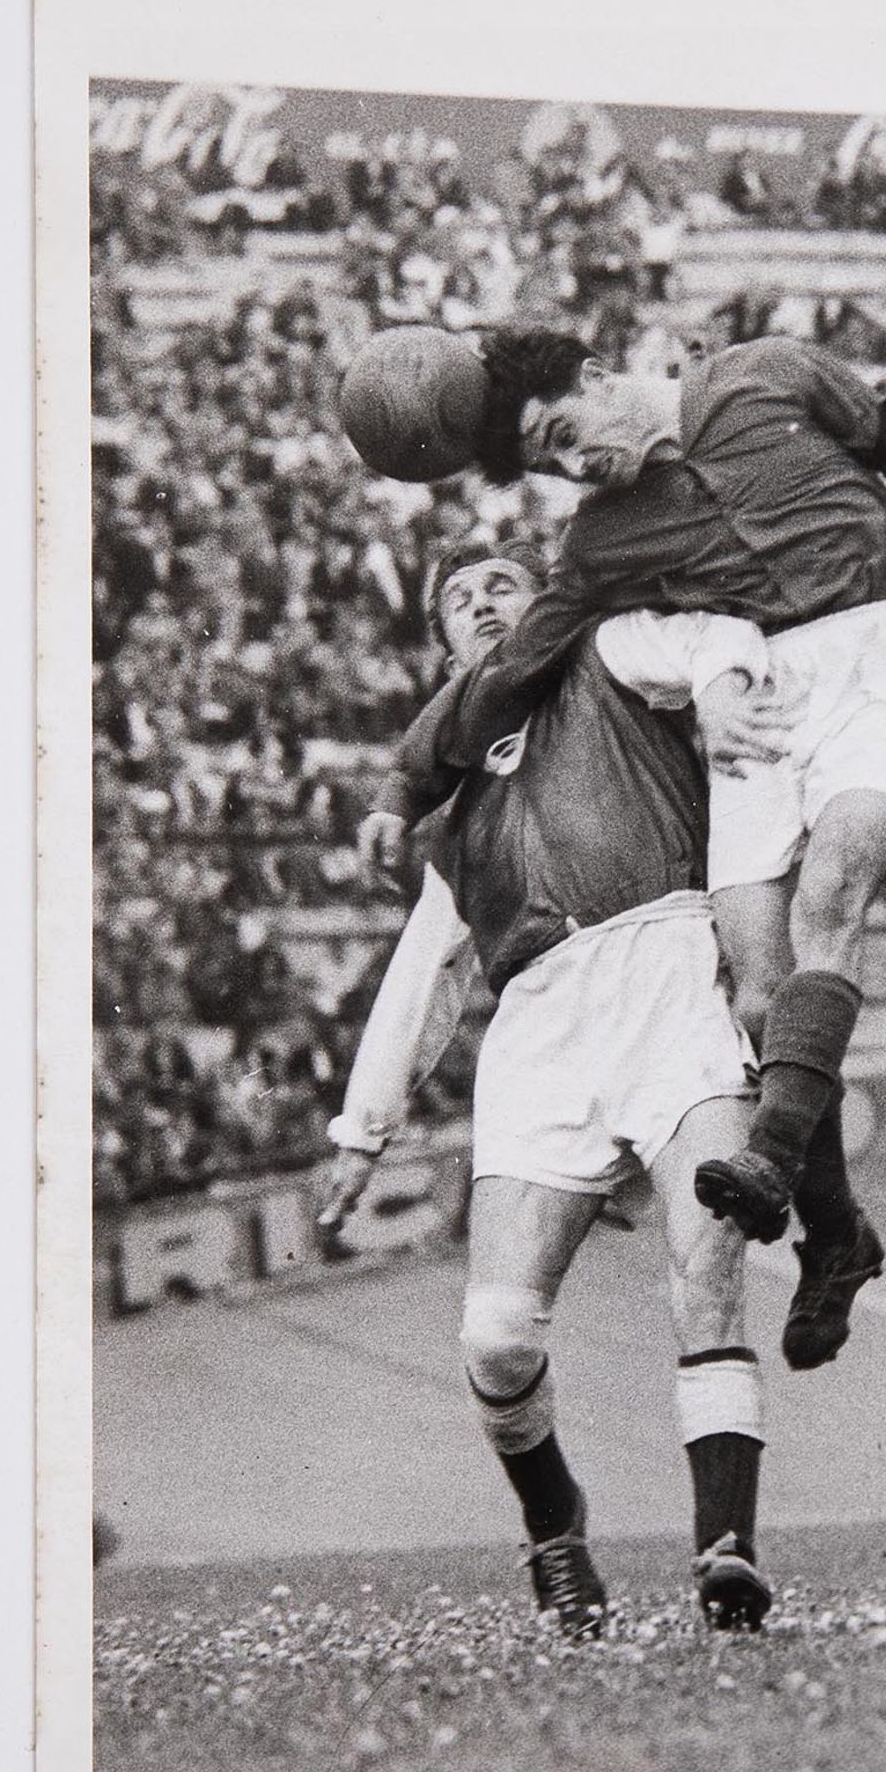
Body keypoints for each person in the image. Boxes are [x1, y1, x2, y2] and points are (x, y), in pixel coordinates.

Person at [345, 324, 886, 1369]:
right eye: (550, 463)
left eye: (563, 433)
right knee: (750, 978)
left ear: (599, 377)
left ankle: (774, 1160)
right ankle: (837, 1234)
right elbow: (515, 665)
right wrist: (408, 778)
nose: (572, 464)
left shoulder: (762, 376)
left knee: (830, 890)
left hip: (884, 654)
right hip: (771, 701)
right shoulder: (601, 538)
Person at [323, 540, 780, 1638]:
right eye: (459, 598)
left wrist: (719, 699)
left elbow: (718, 634)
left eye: (502, 585)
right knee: (495, 1333)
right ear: (442, 641)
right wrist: (361, 1128)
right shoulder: (449, 793)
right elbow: (427, 968)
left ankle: (726, 1546)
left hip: (665, 963)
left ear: (540, 606)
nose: (483, 603)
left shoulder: (606, 652)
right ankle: (554, 1525)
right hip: (539, 1020)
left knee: (707, 1253)